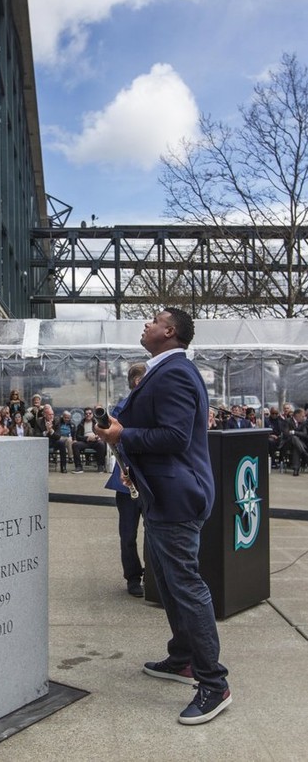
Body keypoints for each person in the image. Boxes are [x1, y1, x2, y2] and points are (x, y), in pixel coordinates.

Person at [95, 307, 231, 726]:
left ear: (170, 332)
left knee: (186, 586)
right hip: (163, 495)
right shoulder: (165, 370)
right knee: (171, 584)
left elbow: (174, 437)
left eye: (154, 320)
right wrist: (120, 426)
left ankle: (214, 684)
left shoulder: (173, 372)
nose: (146, 324)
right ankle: (183, 659)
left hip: (175, 496)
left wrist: (122, 434)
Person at [104, 363, 146, 597]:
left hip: (151, 479)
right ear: (136, 382)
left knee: (155, 533)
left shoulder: (155, 405)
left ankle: (154, 574)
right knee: (128, 534)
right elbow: (118, 440)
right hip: (127, 479)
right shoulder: (123, 407)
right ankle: (133, 577)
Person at [32, 404, 67, 473]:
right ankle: (41, 467)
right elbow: (36, 435)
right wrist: (46, 432)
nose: (52, 416)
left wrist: (51, 431)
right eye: (49, 415)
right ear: (44, 415)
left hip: (53, 441)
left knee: (62, 443)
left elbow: (58, 436)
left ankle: (63, 467)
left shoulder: (56, 421)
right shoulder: (38, 421)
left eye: (52, 414)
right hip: (42, 442)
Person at [71, 407, 107, 472]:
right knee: (75, 445)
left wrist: (97, 437)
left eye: (90, 413)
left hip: (95, 441)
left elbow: (103, 432)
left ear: (92, 414)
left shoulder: (97, 423)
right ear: (84, 415)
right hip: (85, 442)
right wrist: (87, 438)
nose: (88, 415)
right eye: (86, 414)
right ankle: (78, 467)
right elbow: (78, 436)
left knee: (102, 444)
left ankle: (100, 466)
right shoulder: (81, 424)